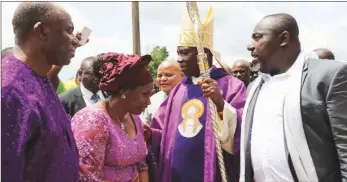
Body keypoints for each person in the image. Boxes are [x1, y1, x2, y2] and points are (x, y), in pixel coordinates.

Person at [240, 13, 347, 182]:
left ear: (283, 39)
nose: (250, 46)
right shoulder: (255, 87)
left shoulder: (328, 76)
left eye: (257, 38)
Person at [149, 6, 246, 182]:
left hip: (213, 174)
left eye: (184, 52)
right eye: (178, 52)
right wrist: (147, 133)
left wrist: (220, 104)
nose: (179, 59)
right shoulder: (179, 89)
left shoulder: (231, 85)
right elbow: (161, 132)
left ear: (204, 54)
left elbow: (243, 133)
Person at [1, 2, 84, 182]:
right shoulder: (9, 93)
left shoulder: (39, 79)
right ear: (41, 31)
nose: (75, 40)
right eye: (69, 31)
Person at [71, 52, 153, 182]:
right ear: (124, 91)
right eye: (144, 94)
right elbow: (88, 177)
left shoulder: (134, 118)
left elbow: (141, 164)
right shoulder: (92, 121)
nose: (149, 102)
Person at [141, 58, 183, 125]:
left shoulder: (191, 98)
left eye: (168, 75)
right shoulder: (152, 101)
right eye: (159, 76)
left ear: (182, 76)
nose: (163, 79)